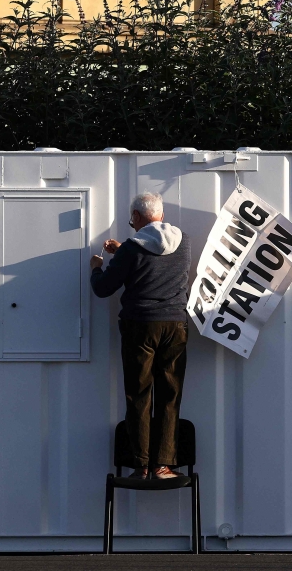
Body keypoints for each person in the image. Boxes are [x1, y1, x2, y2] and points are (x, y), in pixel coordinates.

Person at [90, 191, 192, 480]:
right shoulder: (184, 242)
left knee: (139, 395)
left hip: (140, 327)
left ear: (136, 217)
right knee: (170, 395)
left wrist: (97, 268)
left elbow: (104, 288)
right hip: (175, 325)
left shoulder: (131, 249)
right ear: (160, 213)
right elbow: (157, 262)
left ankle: (143, 465)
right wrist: (123, 250)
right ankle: (164, 466)